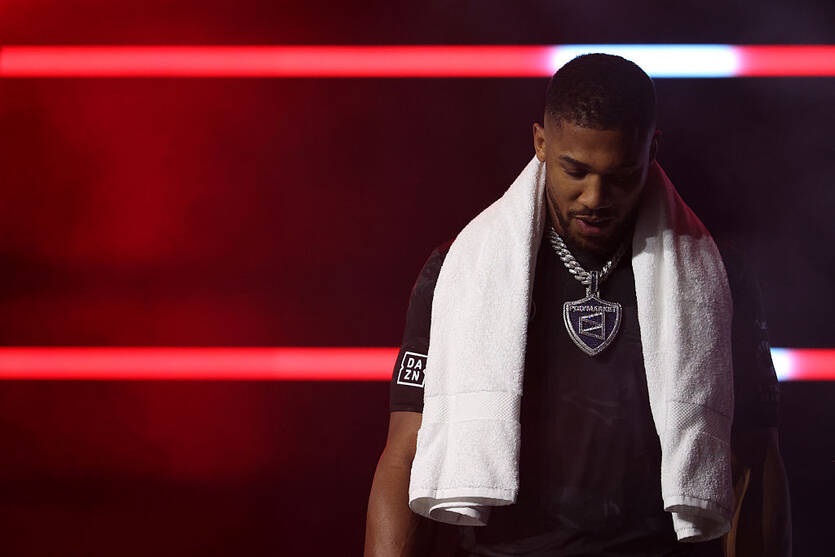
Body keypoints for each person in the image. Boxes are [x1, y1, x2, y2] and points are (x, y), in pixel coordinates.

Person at [365, 54, 791, 557]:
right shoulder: (458, 272)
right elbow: (406, 452)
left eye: (620, 175)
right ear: (541, 143)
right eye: (576, 171)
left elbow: (754, 458)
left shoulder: (717, 276)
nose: (595, 196)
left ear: (652, 151)